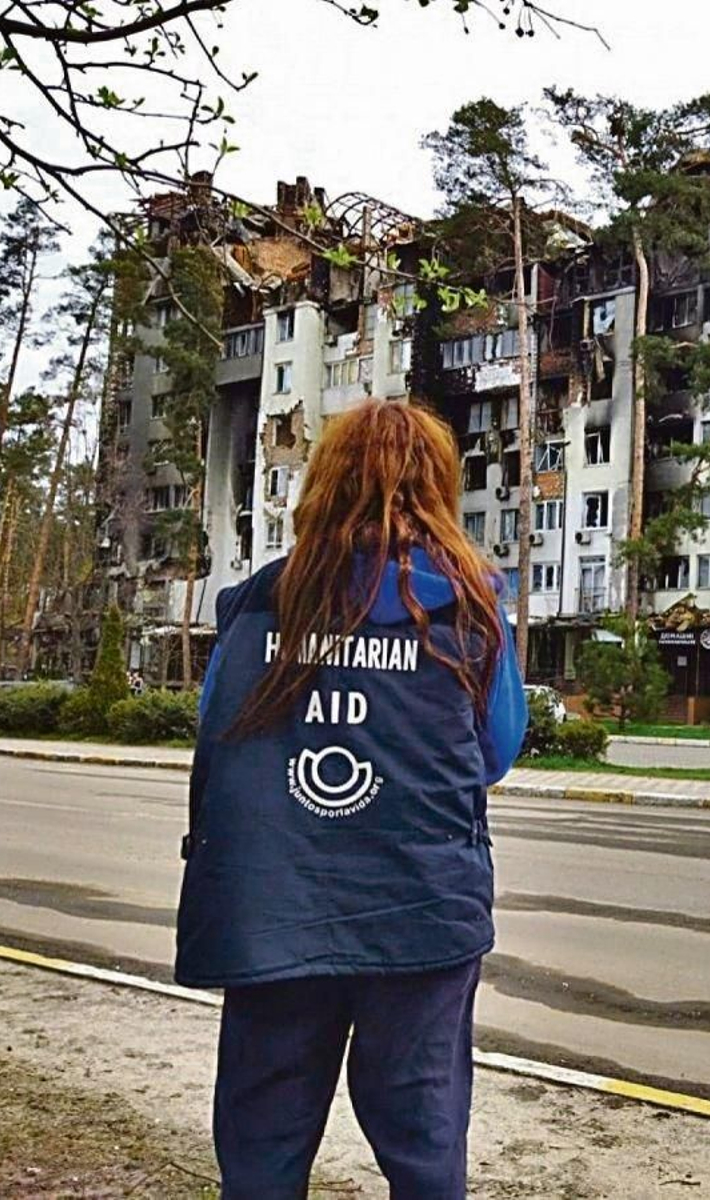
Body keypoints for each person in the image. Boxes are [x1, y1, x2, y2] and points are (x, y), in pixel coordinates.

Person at [175, 400, 527, 1199]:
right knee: (424, 1137)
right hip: (420, 912)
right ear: (438, 486)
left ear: (321, 485)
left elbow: (214, 732)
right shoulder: (465, 607)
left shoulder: (258, 601)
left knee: (262, 1141)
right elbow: (495, 752)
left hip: (273, 910)